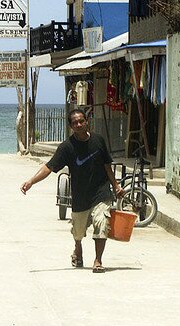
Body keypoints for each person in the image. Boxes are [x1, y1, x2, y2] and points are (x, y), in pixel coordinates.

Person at [20, 108, 124, 273]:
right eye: (75, 123)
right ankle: (78, 248)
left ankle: (98, 260)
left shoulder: (99, 141)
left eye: (81, 121)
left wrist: (116, 185)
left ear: (86, 121)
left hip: (101, 192)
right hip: (80, 196)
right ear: (71, 126)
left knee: (102, 223)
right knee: (78, 232)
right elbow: (49, 167)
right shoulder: (67, 147)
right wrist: (31, 181)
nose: (79, 124)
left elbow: (107, 166)